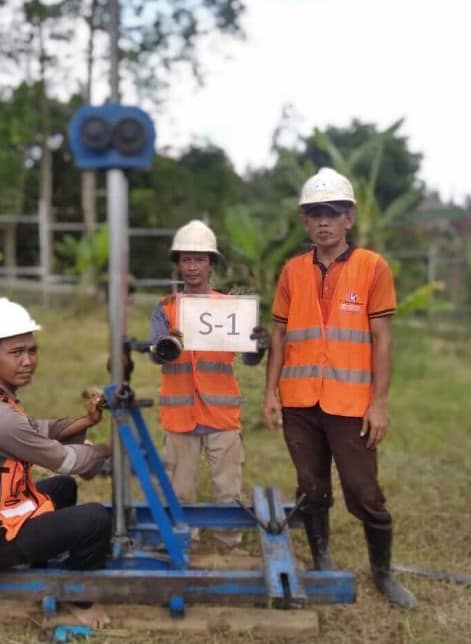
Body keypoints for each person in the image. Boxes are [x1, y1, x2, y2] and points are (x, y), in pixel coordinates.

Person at [262, 168, 417, 608]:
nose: (323, 221)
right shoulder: (292, 271)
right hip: (299, 402)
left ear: (349, 217)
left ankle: (383, 573)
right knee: (311, 489)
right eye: (314, 214)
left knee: (364, 493)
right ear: (304, 222)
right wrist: (270, 392)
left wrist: (379, 403)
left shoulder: (372, 268)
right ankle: (322, 558)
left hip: (351, 405)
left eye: (332, 212)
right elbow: (280, 334)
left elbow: (382, 338)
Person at [0, 297, 113, 627]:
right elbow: (62, 459)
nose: (28, 361)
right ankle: (77, 597)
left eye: (32, 351)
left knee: (62, 489)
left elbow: (35, 430)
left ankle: (38, 560)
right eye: (16, 353)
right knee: (96, 519)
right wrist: (106, 450)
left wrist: (85, 422)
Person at [149, 220, 269, 548]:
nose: (191, 267)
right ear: (178, 264)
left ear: (211, 264)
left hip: (221, 413)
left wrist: (259, 344)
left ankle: (228, 543)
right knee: (179, 490)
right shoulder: (166, 308)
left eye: (199, 259)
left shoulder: (230, 309)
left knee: (227, 489)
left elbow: (249, 360)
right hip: (180, 415)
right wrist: (165, 344)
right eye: (186, 259)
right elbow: (155, 354)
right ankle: (181, 543)